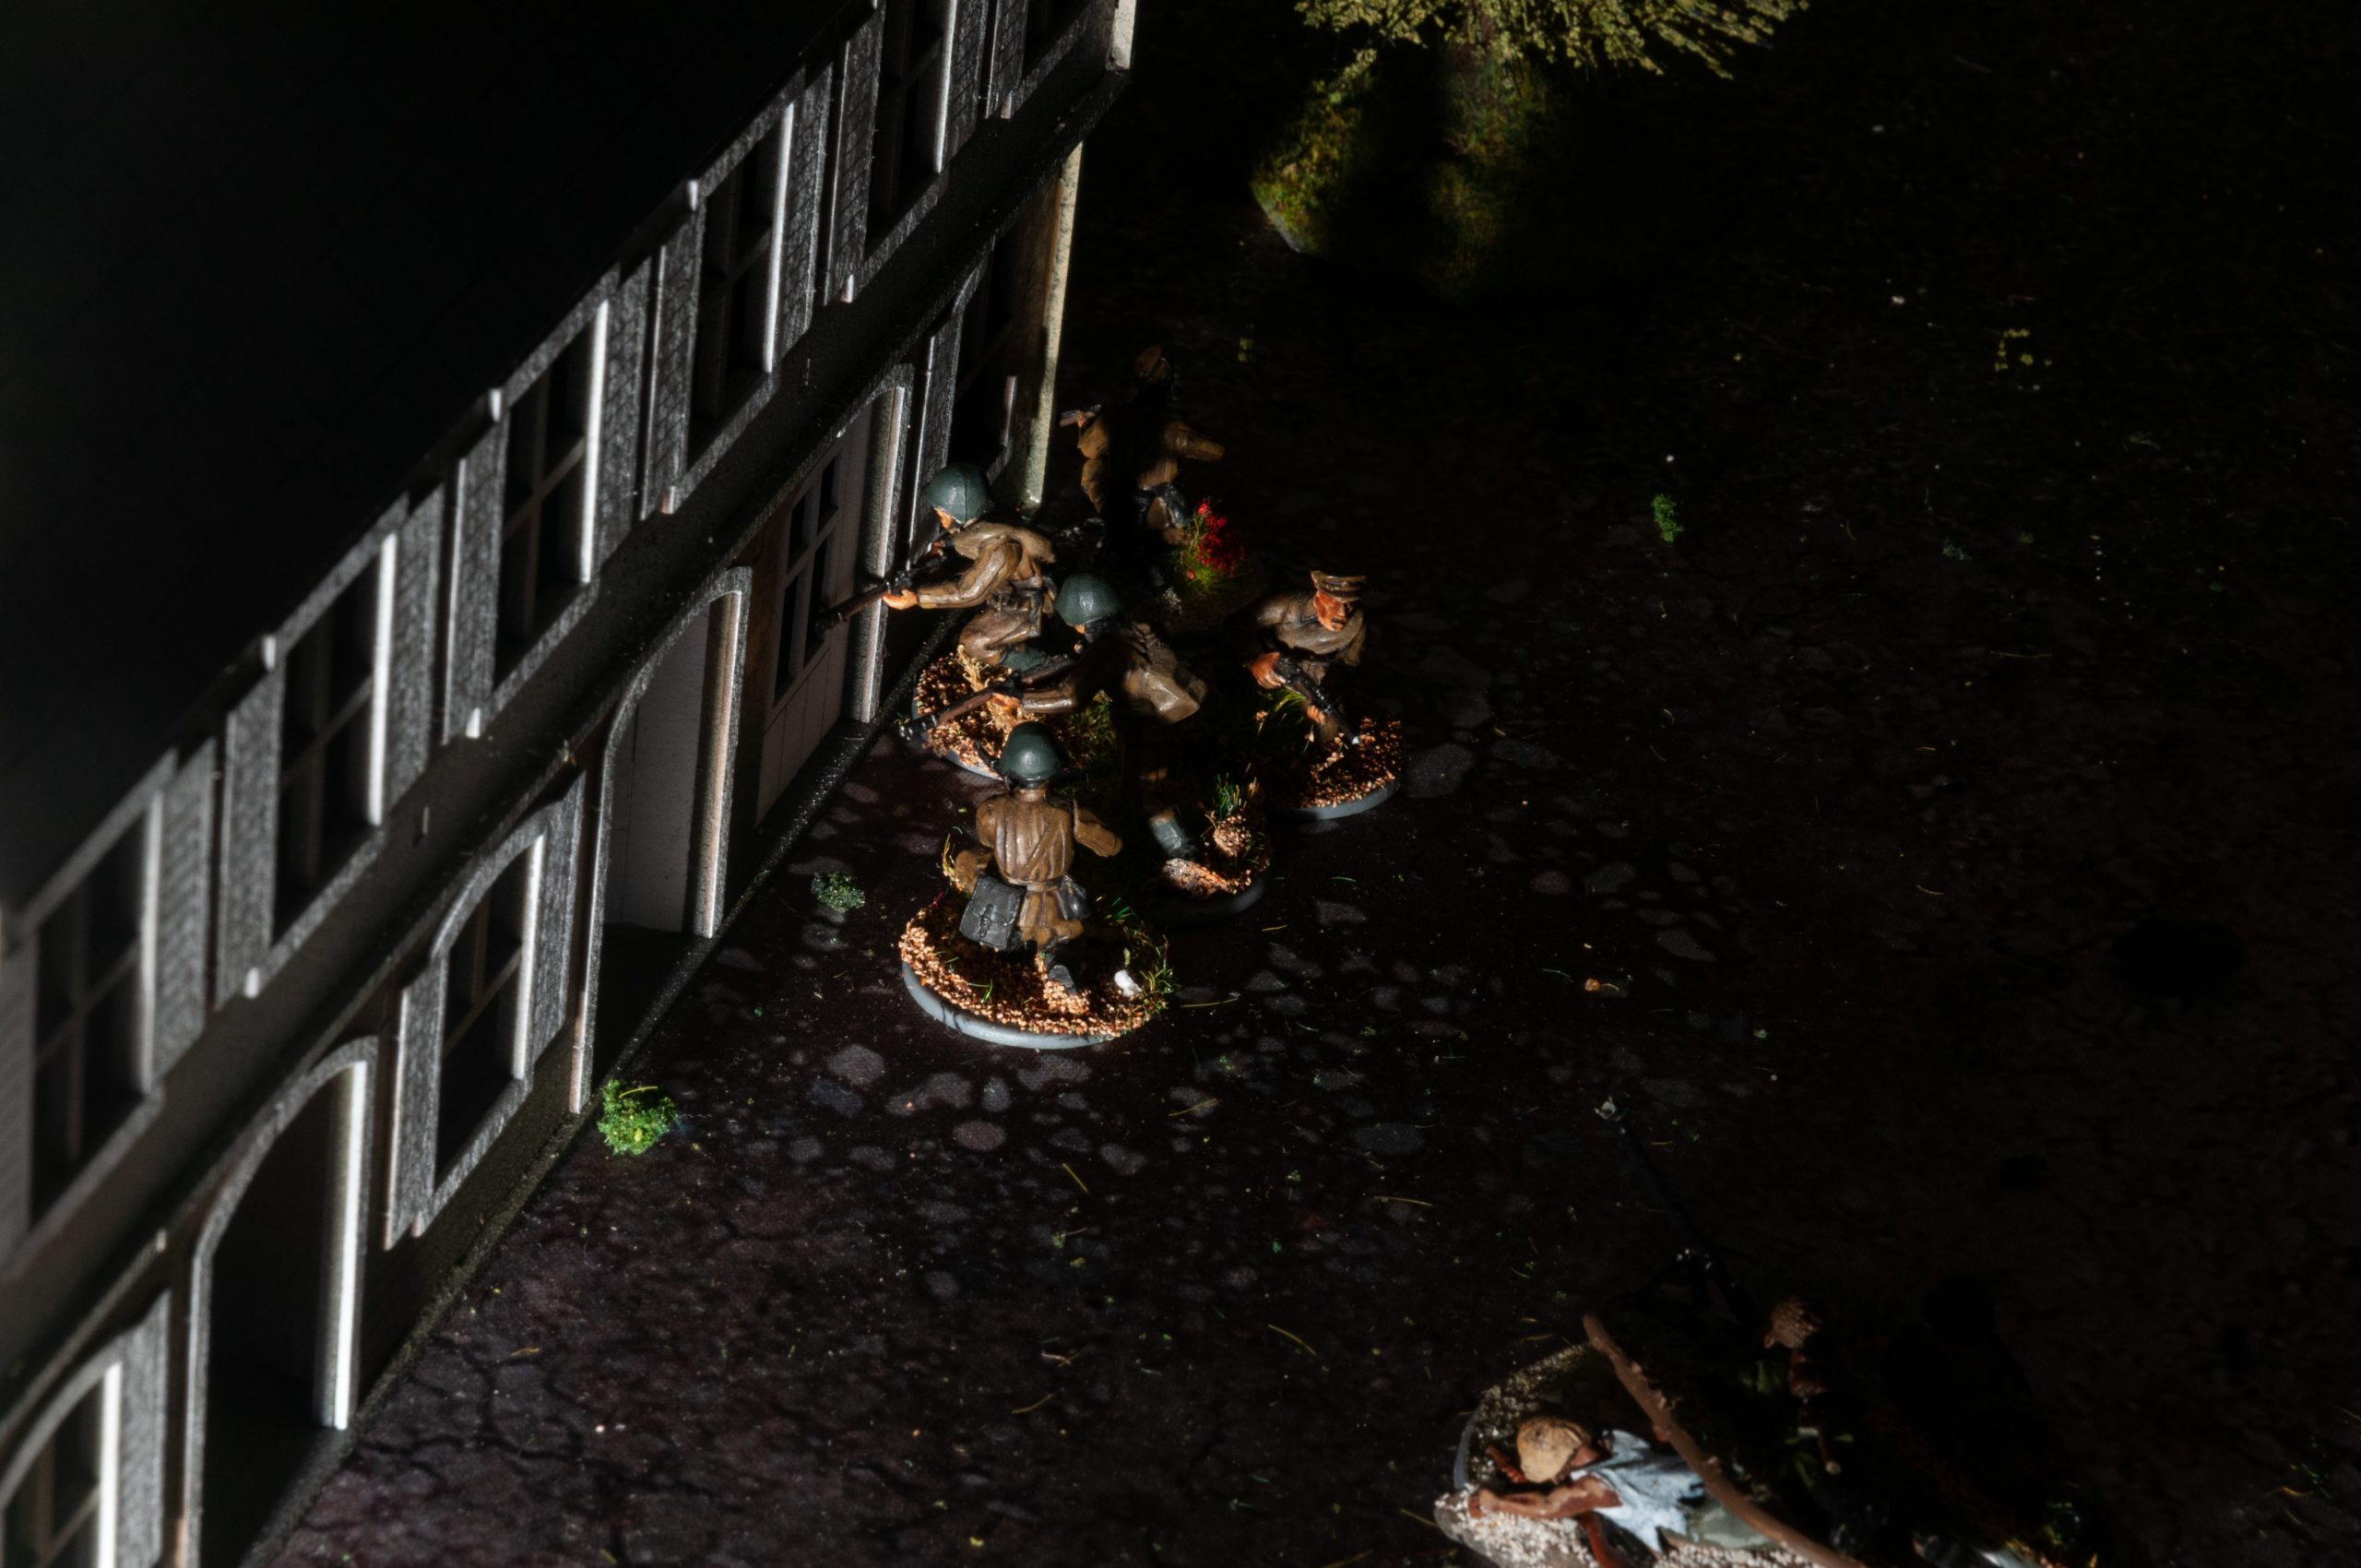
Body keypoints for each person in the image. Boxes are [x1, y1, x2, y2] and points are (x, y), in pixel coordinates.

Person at [987, 572, 1212, 862]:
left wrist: (1021, 699)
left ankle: (1182, 849)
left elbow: (1070, 698)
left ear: (1080, 623)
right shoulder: (1136, 627)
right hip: (1165, 715)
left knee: (1144, 793)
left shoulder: (1107, 651)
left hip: (1151, 726)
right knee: (1139, 776)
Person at [948, 724, 1121, 991]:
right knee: (1064, 938)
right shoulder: (1068, 811)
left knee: (1010, 940)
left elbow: (986, 849)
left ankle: (1008, 967)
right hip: (1054, 903)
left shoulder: (990, 810)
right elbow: (1111, 847)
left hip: (1012, 905)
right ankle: (1059, 964)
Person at [1475, 1417, 1775, 1557]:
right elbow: (1548, 1506)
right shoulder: (1604, 1462)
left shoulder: (1603, 1466)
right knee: (1771, 1515)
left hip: (1699, 1495)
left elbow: (1548, 1506)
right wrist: (1500, 1502)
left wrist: (1499, 1503)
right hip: (1694, 1506)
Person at [880, 462, 1059, 671]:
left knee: (974, 642)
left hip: (1026, 602)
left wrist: (917, 598)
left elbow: (970, 592)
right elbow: (968, 540)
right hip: (1009, 592)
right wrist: (942, 551)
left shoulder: (1001, 547)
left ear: (957, 512)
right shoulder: (994, 518)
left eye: (942, 514)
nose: (941, 519)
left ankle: (1043, 666)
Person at [1229, 569, 1366, 746]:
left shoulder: (1358, 622)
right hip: (1274, 660)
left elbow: (1347, 662)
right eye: (1335, 604)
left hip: (1315, 674)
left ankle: (1311, 748)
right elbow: (1239, 626)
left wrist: (1328, 691)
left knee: (1328, 722)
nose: (1342, 613)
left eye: (1349, 604)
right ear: (1319, 596)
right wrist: (1255, 658)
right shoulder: (1289, 605)